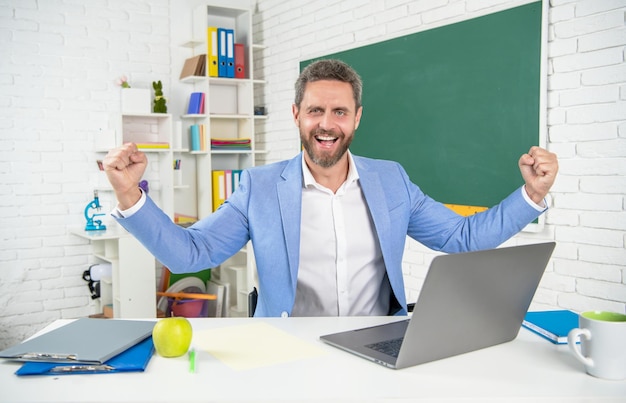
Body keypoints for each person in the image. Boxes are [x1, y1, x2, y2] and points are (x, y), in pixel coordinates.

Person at [103, 59, 558, 318]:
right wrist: (130, 196)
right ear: (297, 115)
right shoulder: (259, 187)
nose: (327, 124)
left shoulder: (391, 180)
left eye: (340, 112)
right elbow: (191, 254)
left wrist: (531, 195)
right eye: (316, 111)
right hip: (287, 347)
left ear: (357, 118)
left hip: (380, 341)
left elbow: (463, 237)